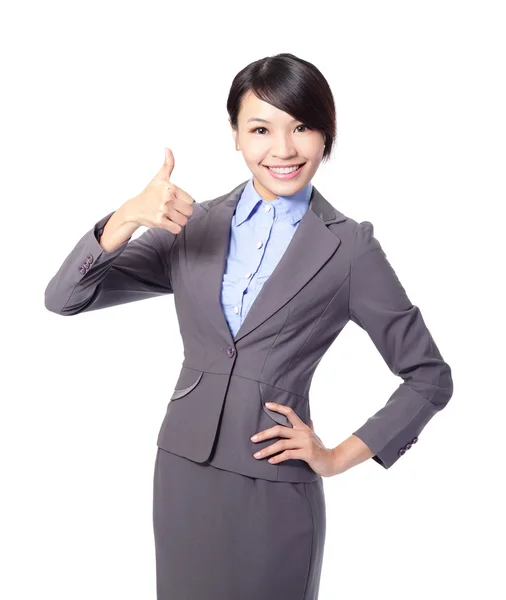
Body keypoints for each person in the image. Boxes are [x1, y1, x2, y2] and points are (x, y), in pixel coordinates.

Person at [44, 52, 453, 600]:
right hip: (184, 475)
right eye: (261, 129)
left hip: (275, 487)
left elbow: (429, 376)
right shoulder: (191, 227)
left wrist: (335, 457)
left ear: (326, 135)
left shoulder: (349, 247)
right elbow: (65, 298)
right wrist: (126, 218)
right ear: (235, 134)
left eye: (302, 127)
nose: (282, 150)